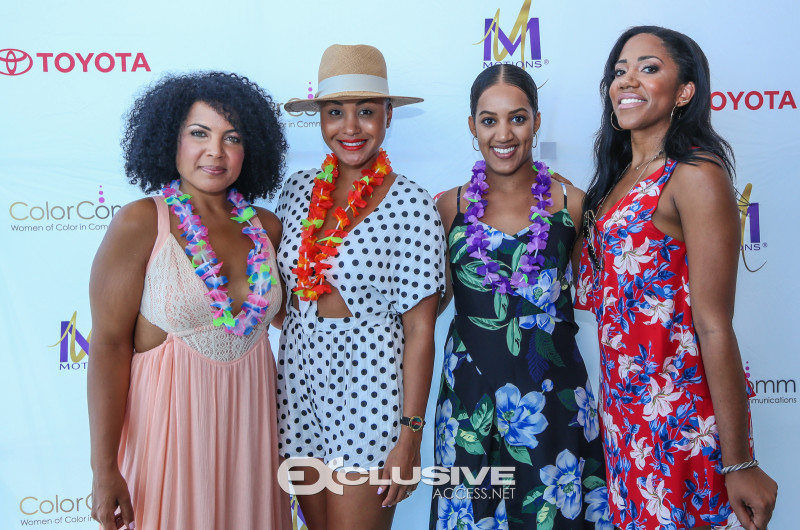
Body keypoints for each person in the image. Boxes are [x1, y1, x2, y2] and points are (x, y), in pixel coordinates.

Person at [576, 26, 778, 530]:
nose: (626, 80)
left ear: (684, 92)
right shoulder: (617, 180)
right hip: (625, 417)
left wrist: (739, 463)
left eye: (648, 68)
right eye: (619, 71)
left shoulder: (695, 175)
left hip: (679, 420)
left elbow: (713, 324)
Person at [87, 72, 290, 530]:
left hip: (253, 431)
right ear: (169, 140)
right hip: (168, 436)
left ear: (250, 149)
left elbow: (291, 320)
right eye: (199, 133)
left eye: (232, 138)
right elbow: (108, 346)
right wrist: (103, 469)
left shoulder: (267, 227)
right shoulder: (142, 222)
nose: (215, 151)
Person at [430, 64, 610, 530]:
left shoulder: (573, 204)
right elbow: (431, 307)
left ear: (536, 121)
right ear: (472, 126)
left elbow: (600, 294)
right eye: (489, 120)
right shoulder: (447, 207)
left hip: (554, 400)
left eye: (518, 117)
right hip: (470, 403)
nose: (504, 134)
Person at [274, 44, 445, 529]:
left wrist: (410, 435)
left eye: (366, 111)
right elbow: (282, 293)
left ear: (388, 115)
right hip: (299, 386)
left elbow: (420, 331)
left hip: (370, 387)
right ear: (320, 118)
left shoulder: (412, 204)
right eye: (335, 112)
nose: (350, 127)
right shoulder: (296, 190)